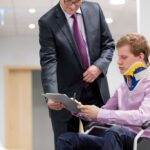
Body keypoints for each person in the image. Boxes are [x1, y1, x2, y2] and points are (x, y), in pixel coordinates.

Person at [39, 0, 115, 147]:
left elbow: (108, 45)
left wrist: (98, 66)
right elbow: (49, 61)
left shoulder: (95, 9)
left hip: (96, 94)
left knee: (101, 144)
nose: (73, 7)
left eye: (77, 2)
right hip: (65, 100)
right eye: (69, 3)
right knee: (66, 143)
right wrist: (52, 94)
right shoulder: (47, 21)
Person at [57, 33, 150, 150]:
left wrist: (100, 113)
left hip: (141, 140)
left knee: (114, 132)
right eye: (119, 57)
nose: (118, 62)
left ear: (140, 57)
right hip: (116, 138)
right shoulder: (124, 86)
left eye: (124, 57)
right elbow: (104, 112)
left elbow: (143, 117)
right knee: (66, 139)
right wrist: (78, 109)